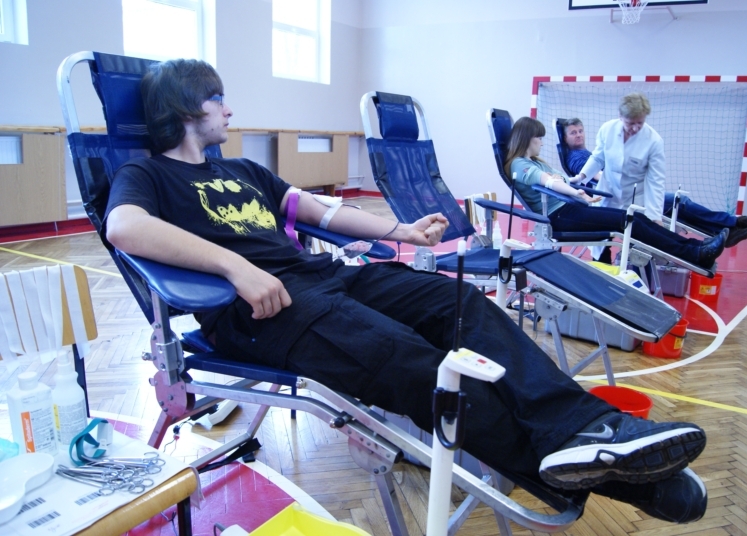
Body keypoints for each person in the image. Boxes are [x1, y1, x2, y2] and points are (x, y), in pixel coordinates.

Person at [104, 58, 708, 524]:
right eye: (217, 98)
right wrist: (235, 266)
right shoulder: (147, 174)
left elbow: (322, 212)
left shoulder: (243, 171)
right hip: (260, 310)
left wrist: (401, 231)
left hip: (321, 277)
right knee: (411, 358)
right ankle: (618, 480)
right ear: (187, 106)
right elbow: (124, 227)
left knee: (459, 304)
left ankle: (587, 432)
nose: (229, 110)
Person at [505, 116, 728, 270]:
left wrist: (577, 185)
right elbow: (550, 183)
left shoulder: (536, 162)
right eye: (539, 138)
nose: (542, 143)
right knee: (629, 221)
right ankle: (695, 253)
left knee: (635, 218)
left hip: (570, 209)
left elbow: (560, 180)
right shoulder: (519, 164)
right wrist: (577, 193)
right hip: (560, 216)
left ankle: (697, 248)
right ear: (528, 138)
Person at [561, 117, 747, 247]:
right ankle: (730, 224)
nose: (578, 135)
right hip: (618, 200)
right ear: (565, 137)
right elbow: (597, 175)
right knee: (678, 202)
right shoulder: (576, 158)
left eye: (580, 131)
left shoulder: (589, 151)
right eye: (573, 132)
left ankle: (727, 227)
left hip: (626, 194)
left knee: (678, 204)